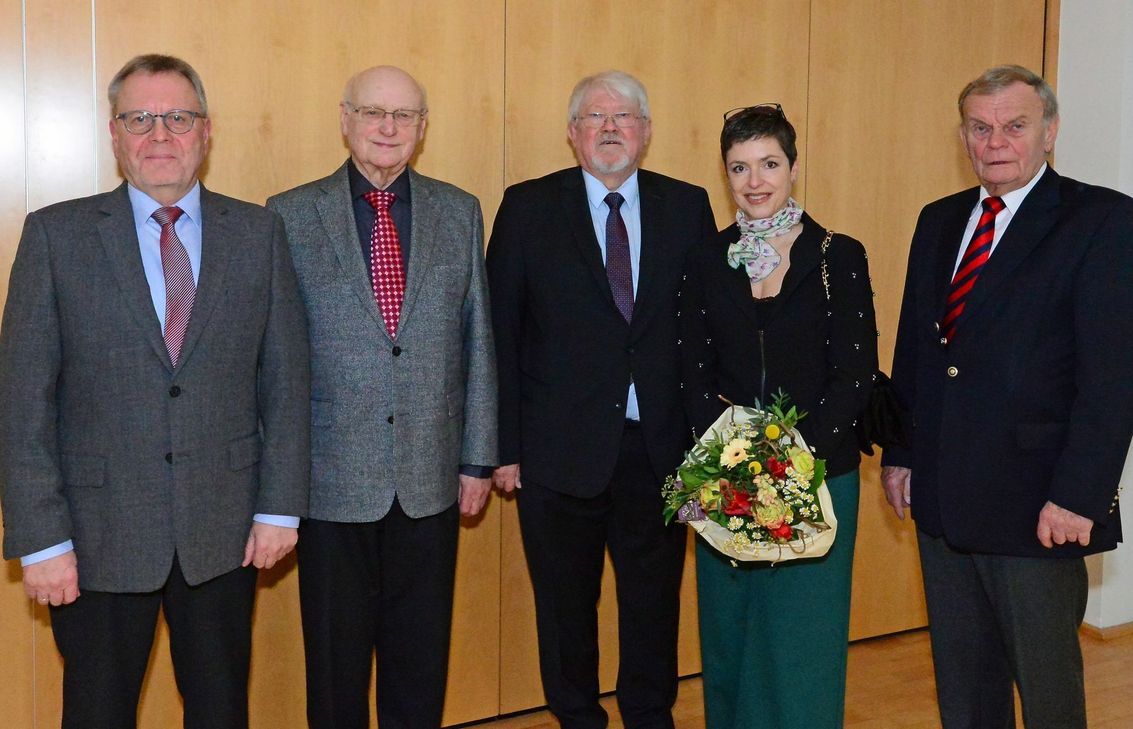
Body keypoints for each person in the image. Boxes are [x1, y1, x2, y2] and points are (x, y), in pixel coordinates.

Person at [0, 54, 310, 728]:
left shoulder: (258, 233)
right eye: (140, 118)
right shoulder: (56, 236)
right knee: (97, 712)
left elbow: (286, 381)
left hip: (225, 532)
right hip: (97, 536)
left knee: (221, 709)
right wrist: (41, 540)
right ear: (114, 134)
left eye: (178, 117)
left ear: (206, 131)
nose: (160, 135)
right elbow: (22, 401)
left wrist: (280, 508)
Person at [881, 64, 1133, 729]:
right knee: (964, 688)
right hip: (941, 493)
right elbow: (914, 349)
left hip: (1037, 502)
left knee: (1048, 692)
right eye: (979, 127)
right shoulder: (938, 221)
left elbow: (1112, 375)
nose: (994, 142)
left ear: (1047, 132)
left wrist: (1081, 493)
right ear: (963, 134)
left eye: (1014, 126)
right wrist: (901, 449)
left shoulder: (1101, 219)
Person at [267, 65, 497, 729]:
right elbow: (275, 360)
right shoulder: (288, 214)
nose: (387, 128)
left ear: (423, 129)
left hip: (430, 478)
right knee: (335, 669)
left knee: (420, 663)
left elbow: (477, 339)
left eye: (403, 116)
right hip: (327, 481)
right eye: (373, 113)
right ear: (345, 120)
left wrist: (477, 457)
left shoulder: (460, 211)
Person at [487, 70, 715, 729]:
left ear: (645, 133)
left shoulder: (687, 205)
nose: (610, 127)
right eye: (594, 116)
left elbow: (704, 335)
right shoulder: (528, 207)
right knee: (564, 606)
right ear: (571, 133)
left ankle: (649, 714)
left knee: (653, 603)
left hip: (662, 450)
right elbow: (499, 336)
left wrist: (707, 451)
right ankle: (577, 716)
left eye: (625, 116)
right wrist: (502, 449)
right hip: (556, 453)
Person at [679, 104, 877, 728]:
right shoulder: (707, 258)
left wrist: (790, 463)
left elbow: (855, 374)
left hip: (817, 474)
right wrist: (730, 458)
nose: (754, 180)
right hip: (728, 476)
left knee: (800, 641)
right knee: (732, 635)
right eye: (739, 167)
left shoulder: (837, 254)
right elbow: (691, 367)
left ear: (794, 167)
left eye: (768, 163)